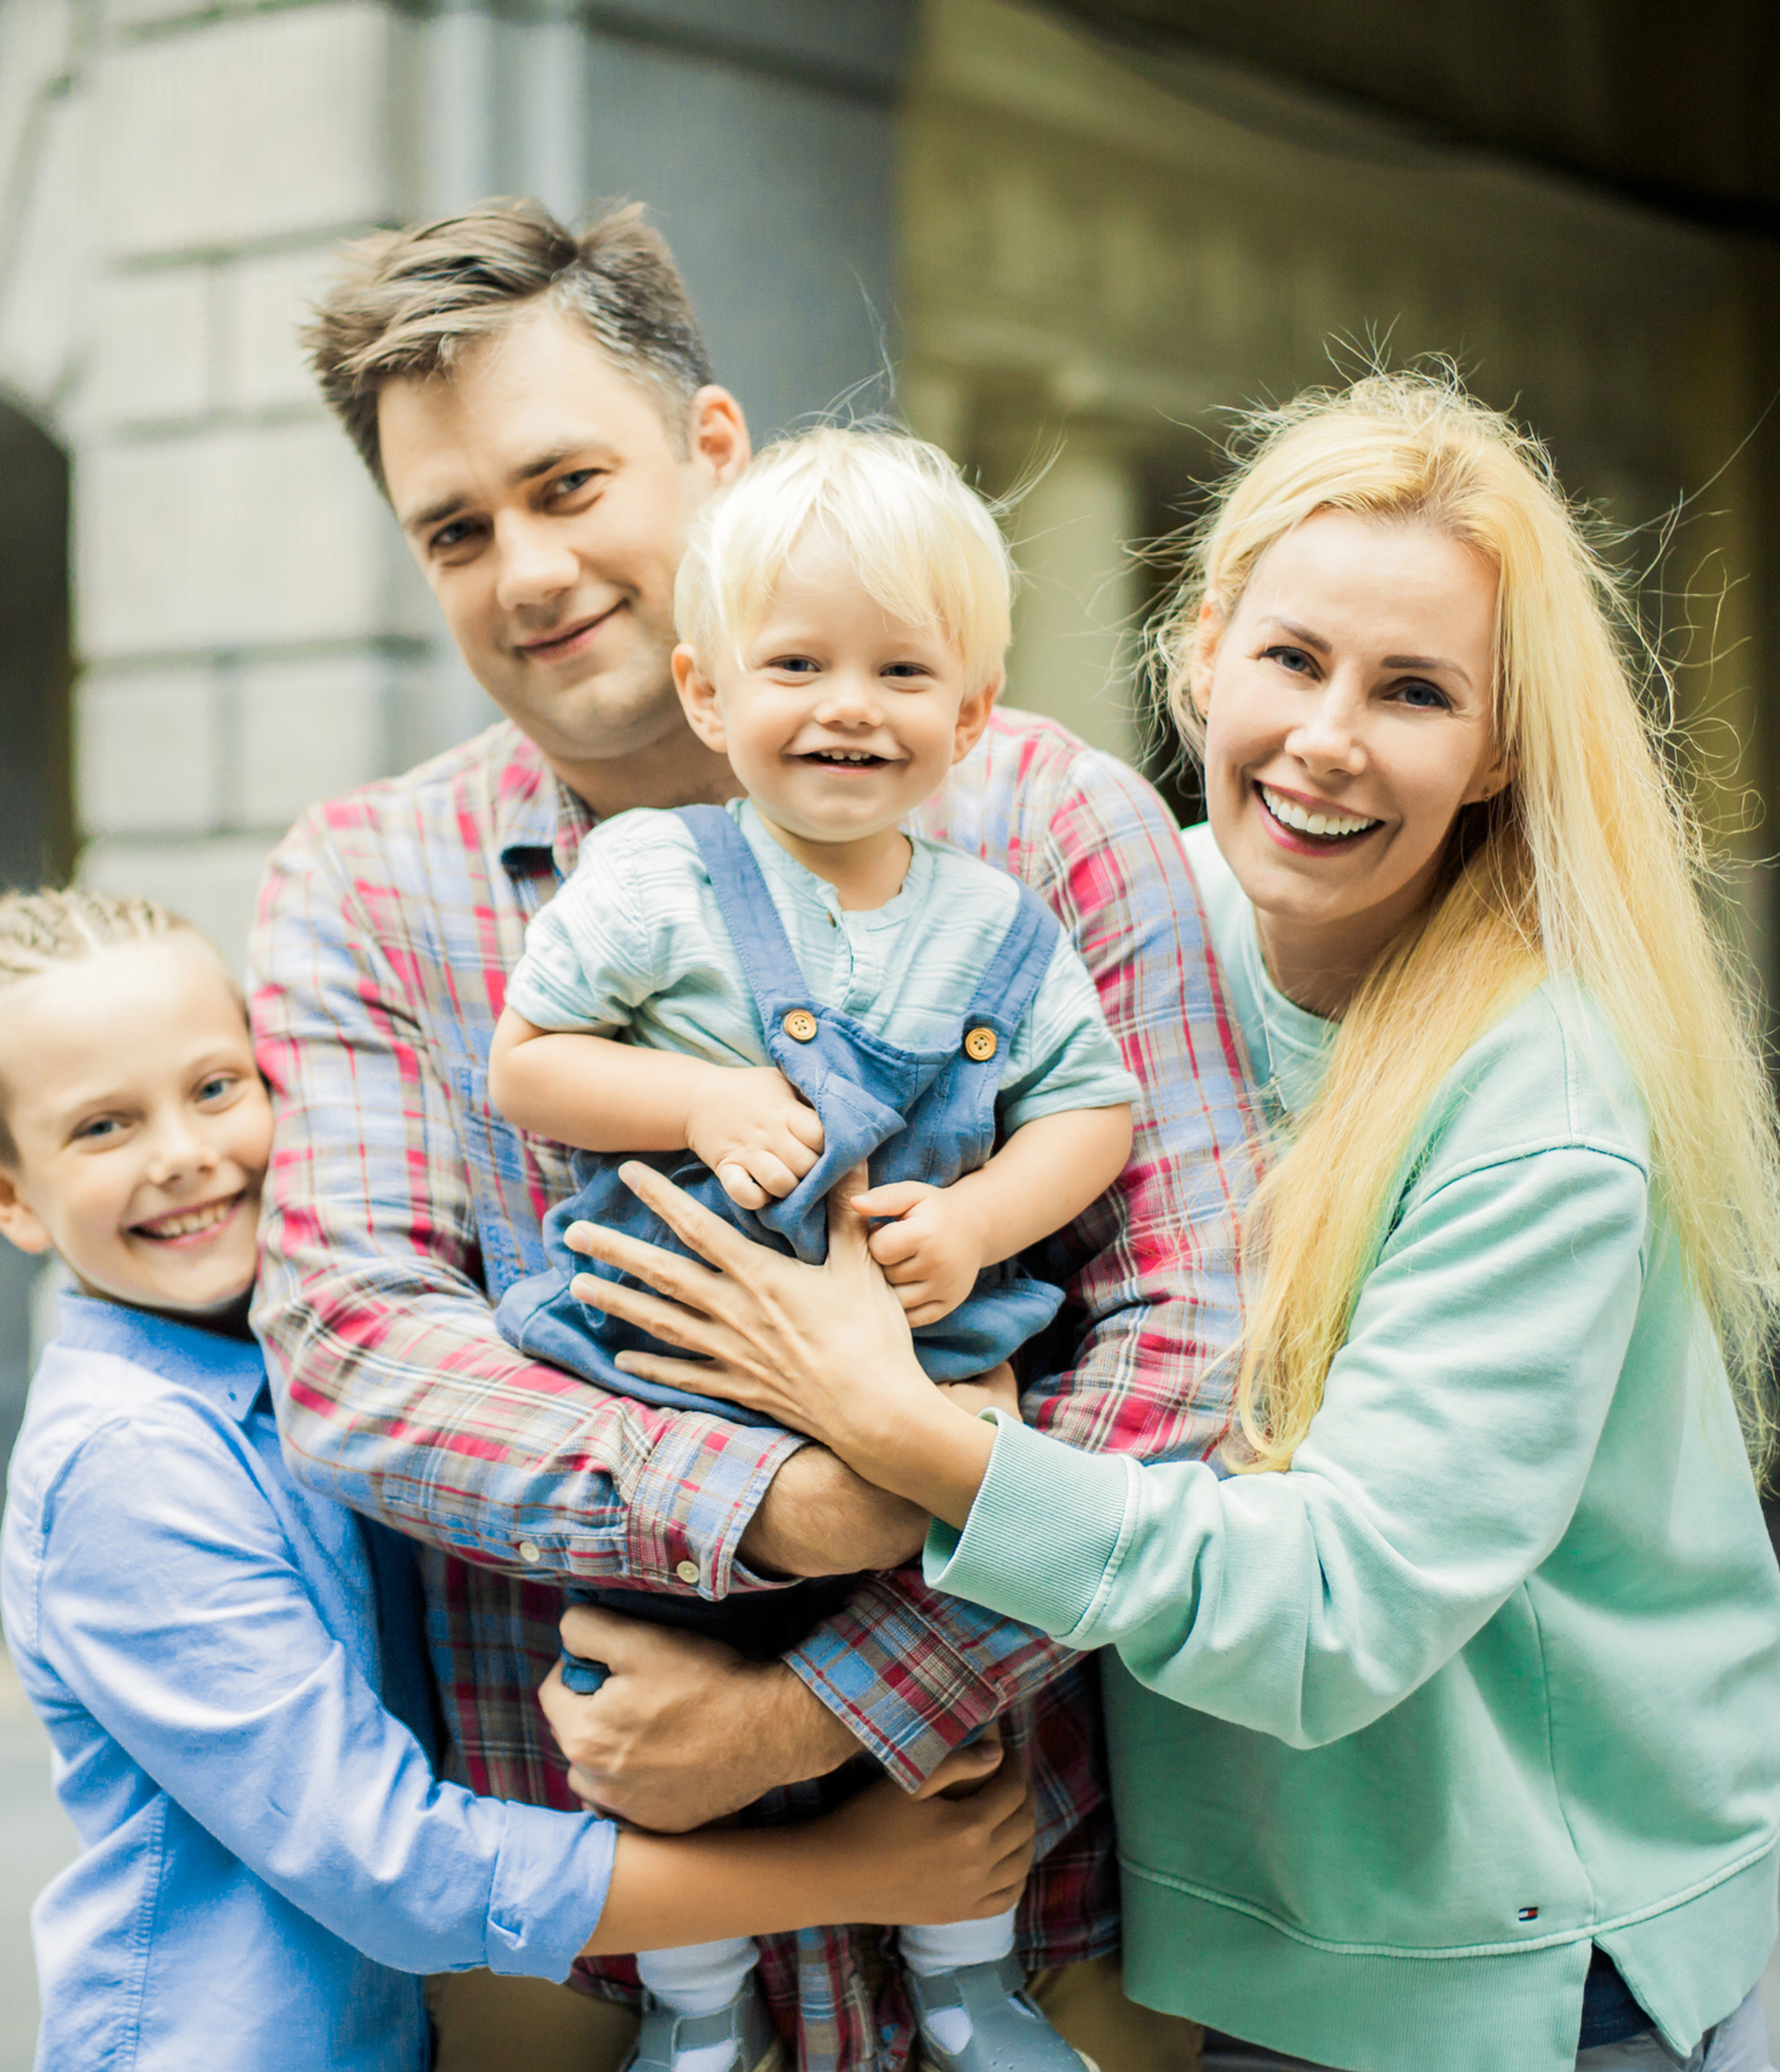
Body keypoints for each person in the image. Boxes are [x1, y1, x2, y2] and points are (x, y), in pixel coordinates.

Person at [554, 369, 1780, 2072]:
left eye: (1412, 689)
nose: (1327, 735)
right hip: (1212, 1942)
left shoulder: (1534, 1090)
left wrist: (903, 1439)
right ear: (1200, 650)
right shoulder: (1124, 934)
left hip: (1509, 1966)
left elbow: (1339, 1603)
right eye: (1291, 659)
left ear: (1496, 743)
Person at [257, 197, 1257, 2072]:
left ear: (712, 453)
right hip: (596, 1957)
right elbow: (359, 1358)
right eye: (456, 530)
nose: (528, 569)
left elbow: (1188, 1336)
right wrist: (778, 1502)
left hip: (1042, 1909)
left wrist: (817, 1710)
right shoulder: (364, 886)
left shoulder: (1049, 819)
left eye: (568, 483)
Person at [0, 887, 1039, 2072]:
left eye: (216, 1088)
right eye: (103, 1128)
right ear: (7, 1192)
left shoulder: (310, 1357)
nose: (185, 1155)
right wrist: (855, 1874)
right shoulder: (130, 1464)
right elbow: (392, 1867)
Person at [486, 425, 1139, 2072]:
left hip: (921, 1375)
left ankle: (965, 1980)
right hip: (681, 1391)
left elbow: (1089, 1110)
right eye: (796, 663)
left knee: (943, 1703)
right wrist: (701, 1098)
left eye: (898, 668)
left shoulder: (999, 921)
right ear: (708, 694)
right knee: (656, 1697)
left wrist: (980, 1216)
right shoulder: (654, 876)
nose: (846, 704)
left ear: (969, 713)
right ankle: (694, 2016)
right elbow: (532, 1060)